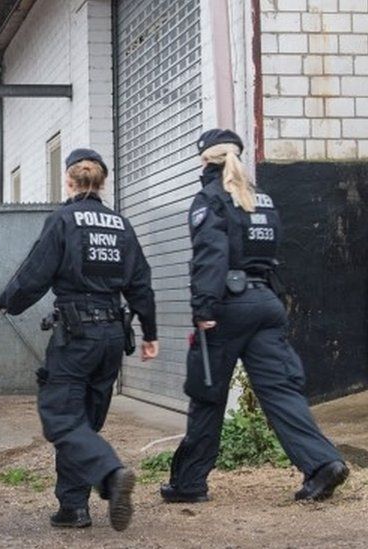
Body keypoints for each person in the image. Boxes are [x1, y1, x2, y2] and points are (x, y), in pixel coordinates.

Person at [161, 129, 349, 504]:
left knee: (207, 394)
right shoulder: (261, 198)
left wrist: (203, 308)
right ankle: (322, 464)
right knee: (281, 392)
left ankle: (189, 484)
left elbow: (211, 256)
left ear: (204, 160)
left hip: (226, 308)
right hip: (265, 301)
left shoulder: (209, 199)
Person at [0, 149, 159, 531]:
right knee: (82, 426)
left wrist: (3, 302)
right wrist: (150, 333)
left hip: (76, 335)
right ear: (102, 182)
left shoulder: (64, 219)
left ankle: (111, 474)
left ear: (68, 180)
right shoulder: (120, 225)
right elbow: (141, 283)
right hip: (113, 336)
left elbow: (34, 274)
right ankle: (73, 507)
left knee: (62, 417)